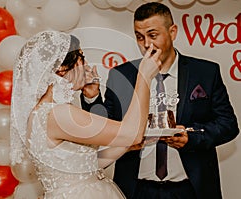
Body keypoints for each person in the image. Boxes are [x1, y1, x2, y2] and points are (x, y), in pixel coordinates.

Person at [81, 2, 239, 199]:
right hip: (136, 189)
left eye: (153, 35)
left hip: (191, 188)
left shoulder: (205, 72)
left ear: (172, 32)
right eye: (140, 37)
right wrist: (92, 97)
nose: (146, 44)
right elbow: (103, 130)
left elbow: (228, 125)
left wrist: (192, 137)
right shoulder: (121, 75)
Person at [9, 30, 161, 198]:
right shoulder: (58, 114)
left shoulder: (42, 112)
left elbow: (85, 165)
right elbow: (132, 134)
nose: (87, 66)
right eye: (82, 58)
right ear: (61, 67)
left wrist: (126, 146)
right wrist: (144, 76)